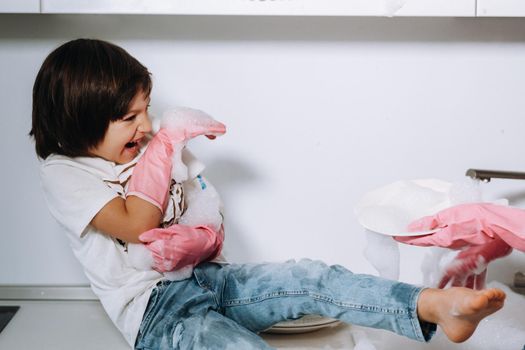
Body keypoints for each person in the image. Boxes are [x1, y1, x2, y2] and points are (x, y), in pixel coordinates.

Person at [30, 38, 506, 350]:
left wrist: (202, 238)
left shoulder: (151, 146)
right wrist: (168, 144)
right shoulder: (66, 174)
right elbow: (137, 224)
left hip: (210, 278)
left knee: (311, 278)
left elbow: (209, 212)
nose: (147, 126)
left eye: (147, 111)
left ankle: (435, 307)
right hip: (154, 314)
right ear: (81, 118)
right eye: (130, 118)